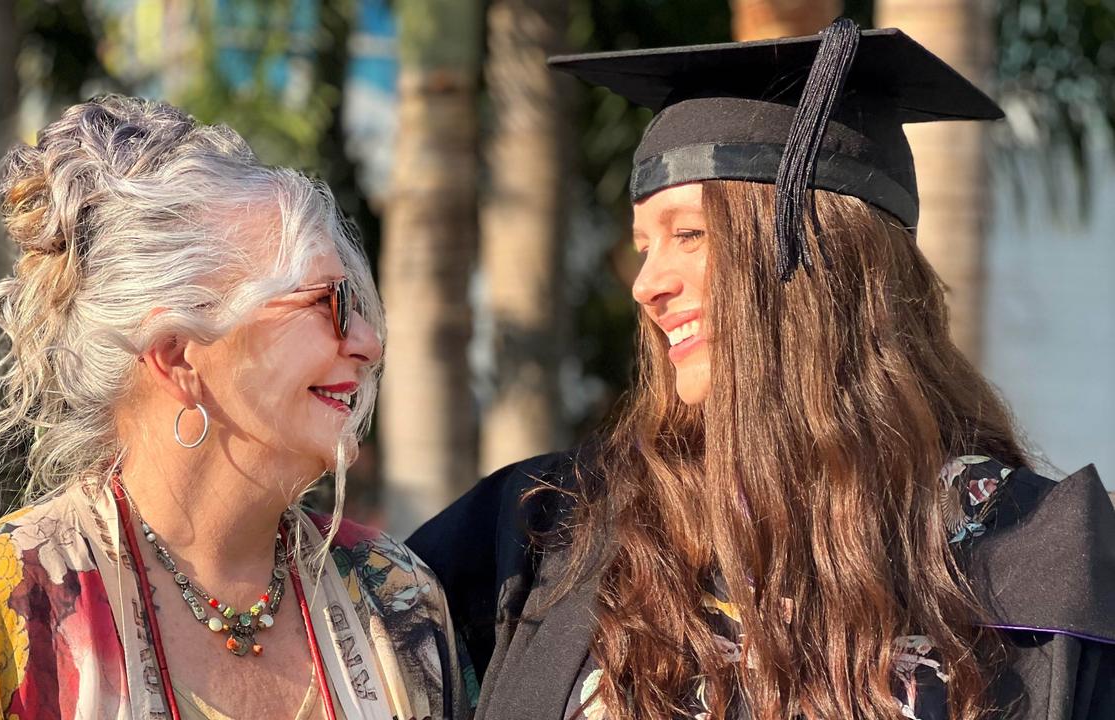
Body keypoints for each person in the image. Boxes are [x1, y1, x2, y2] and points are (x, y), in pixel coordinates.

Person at [408, 20, 1115, 720]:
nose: (646, 284)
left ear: (818, 259)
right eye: (643, 246)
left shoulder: (1028, 552)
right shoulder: (553, 525)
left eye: (687, 235)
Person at [0, 95, 476, 720]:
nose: (369, 344)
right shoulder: (16, 601)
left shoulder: (395, 595)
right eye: (327, 304)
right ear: (178, 356)